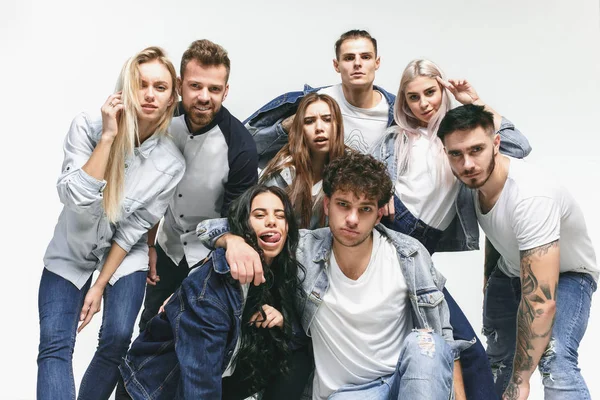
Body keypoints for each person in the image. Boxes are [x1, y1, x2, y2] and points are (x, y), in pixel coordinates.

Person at [198, 152, 472, 399]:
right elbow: (212, 227)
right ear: (327, 205)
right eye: (343, 205)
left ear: (378, 216)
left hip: (407, 383)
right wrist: (232, 241)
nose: (352, 219)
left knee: (426, 342)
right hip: (349, 394)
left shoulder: (408, 255)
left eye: (364, 209)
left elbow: (442, 339)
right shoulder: (302, 249)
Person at [372, 58, 533, 400]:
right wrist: (379, 187)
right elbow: (365, 180)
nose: (423, 103)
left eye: (430, 92)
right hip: (393, 230)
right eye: (413, 97)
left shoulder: (459, 138)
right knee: (455, 341)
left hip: (423, 243)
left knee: (449, 340)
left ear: (443, 90)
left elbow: (519, 146)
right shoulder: (396, 138)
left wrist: (473, 102)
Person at [37, 47, 186, 400]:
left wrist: (99, 285)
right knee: (55, 345)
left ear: (171, 99)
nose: (149, 94)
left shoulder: (171, 163)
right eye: (141, 84)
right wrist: (107, 137)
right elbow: (74, 196)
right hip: (71, 249)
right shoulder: (88, 127)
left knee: (118, 338)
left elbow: (135, 229)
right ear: (125, 89)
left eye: (160, 88)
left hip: (125, 251)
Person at [437, 104, 598, 400]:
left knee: (554, 357)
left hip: (567, 276)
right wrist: (489, 280)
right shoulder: (473, 184)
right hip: (509, 270)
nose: (468, 163)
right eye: (456, 154)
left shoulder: (530, 196)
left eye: (476, 150)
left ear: (496, 144)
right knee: (497, 363)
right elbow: (497, 231)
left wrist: (522, 381)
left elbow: (540, 303)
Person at [119, 185, 307, 399]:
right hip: (152, 392)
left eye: (280, 216)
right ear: (242, 226)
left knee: (297, 355)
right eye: (259, 215)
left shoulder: (275, 273)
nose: (272, 221)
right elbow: (200, 384)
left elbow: (299, 341)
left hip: (209, 381)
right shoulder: (211, 290)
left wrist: (282, 320)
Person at [138, 39, 259, 332]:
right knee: (149, 332)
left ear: (225, 91)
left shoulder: (240, 146)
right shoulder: (160, 121)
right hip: (165, 248)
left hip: (207, 257)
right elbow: (145, 189)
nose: (204, 96)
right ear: (179, 85)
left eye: (214, 89)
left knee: (192, 340)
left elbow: (236, 222)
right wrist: (148, 246)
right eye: (195, 86)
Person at [246, 29, 395, 168]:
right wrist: (291, 124)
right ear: (336, 65)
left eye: (366, 57)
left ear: (377, 63)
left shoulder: (397, 112)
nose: (357, 63)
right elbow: (247, 147)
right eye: (349, 58)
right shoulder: (316, 102)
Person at [260, 92, 346, 229]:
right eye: (309, 121)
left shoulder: (353, 170)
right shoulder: (282, 173)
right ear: (300, 130)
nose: (319, 128)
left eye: (327, 119)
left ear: (338, 126)